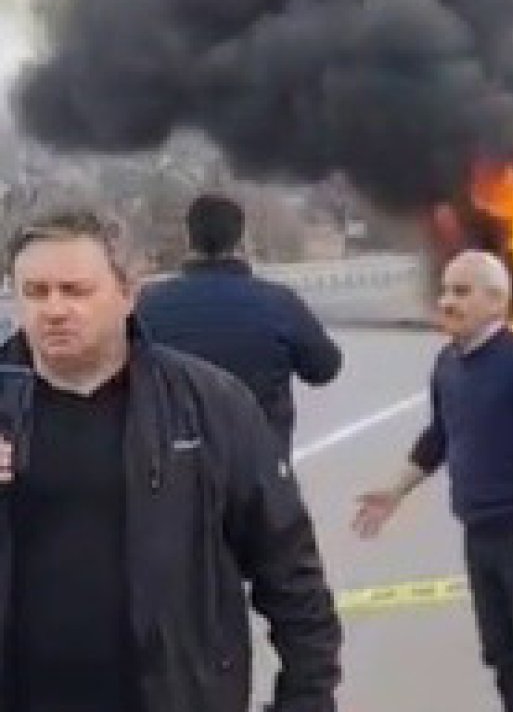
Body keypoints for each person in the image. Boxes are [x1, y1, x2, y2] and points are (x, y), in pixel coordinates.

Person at [0, 206, 342, 711]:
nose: (53, 309)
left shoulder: (211, 405)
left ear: (127, 294)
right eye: (35, 292)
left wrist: (307, 698)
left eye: (75, 291)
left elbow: (289, 570)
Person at [353, 250, 513, 712]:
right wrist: (394, 491)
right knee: (504, 657)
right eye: (445, 290)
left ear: (496, 301)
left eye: (461, 292)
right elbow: (439, 436)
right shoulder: (447, 364)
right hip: (479, 533)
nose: (447, 301)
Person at [136, 193, 343, 450]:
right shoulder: (278, 302)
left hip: (179, 462)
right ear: (240, 239)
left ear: (188, 238)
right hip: (261, 459)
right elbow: (324, 368)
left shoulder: (149, 304)